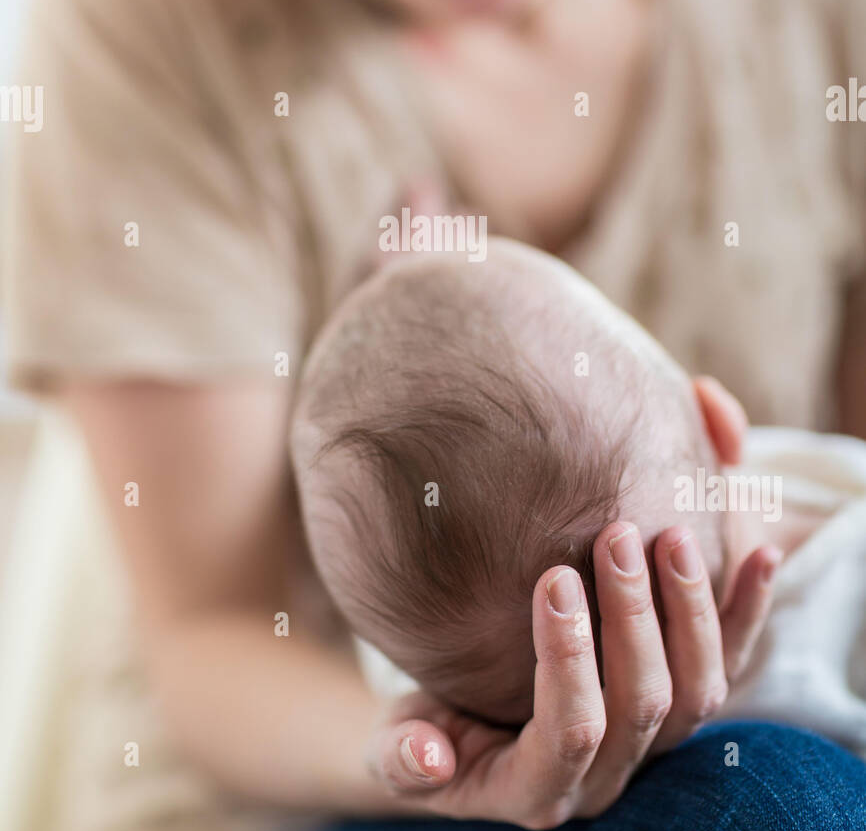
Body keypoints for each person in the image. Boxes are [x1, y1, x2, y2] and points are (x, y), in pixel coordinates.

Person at [3, 0, 865, 831]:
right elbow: (211, 632)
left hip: (768, 745)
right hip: (286, 829)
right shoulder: (143, 8)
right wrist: (445, 764)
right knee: (780, 814)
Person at [291, 237, 866, 769]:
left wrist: (409, 322)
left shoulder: (437, 688)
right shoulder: (845, 579)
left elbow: (421, 494)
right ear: (720, 420)